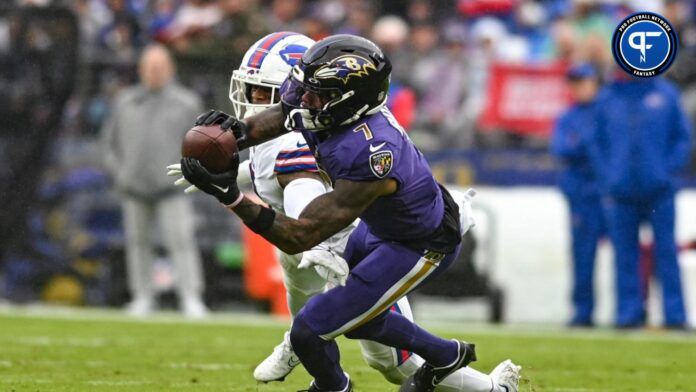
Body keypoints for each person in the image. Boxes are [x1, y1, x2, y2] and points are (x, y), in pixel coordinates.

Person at [170, 32, 518, 392]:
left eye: (315, 94)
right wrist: (234, 135)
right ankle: (447, 355)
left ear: (349, 101)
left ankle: (336, 387)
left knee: (312, 330)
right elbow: (284, 115)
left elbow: (301, 234)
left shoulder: (371, 151)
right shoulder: (331, 109)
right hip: (381, 226)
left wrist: (231, 197)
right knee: (357, 319)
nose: (302, 99)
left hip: (418, 244)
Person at [102, 44, 208, 318]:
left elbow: (200, 143)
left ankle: (190, 297)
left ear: (170, 69)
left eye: (159, 67)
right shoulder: (125, 101)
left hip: (172, 188)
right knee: (137, 243)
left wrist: (188, 174)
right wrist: (120, 171)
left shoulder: (187, 102)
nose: (154, 72)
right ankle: (142, 296)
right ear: (141, 70)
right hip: (134, 186)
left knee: (181, 241)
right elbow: (109, 142)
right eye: (149, 67)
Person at [590, 72, 692, 329]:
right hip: (621, 191)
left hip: (659, 190)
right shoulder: (607, 97)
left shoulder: (666, 94)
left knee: (667, 252)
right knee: (624, 254)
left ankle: (675, 315)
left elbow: (682, 137)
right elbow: (596, 141)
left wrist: (666, 172)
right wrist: (610, 176)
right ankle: (628, 314)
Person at [551, 63, 605, 327]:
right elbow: (562, 148)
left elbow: (579, 147)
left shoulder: (605, 112)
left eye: (584, 81)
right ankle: (583, 312)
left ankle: (631, 311)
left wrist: (582, 143)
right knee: (583, 256)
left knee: (629, 254)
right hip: (583, 194)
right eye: (575, 82)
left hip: (608, 191)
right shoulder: (568, 116)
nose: (579, 87)